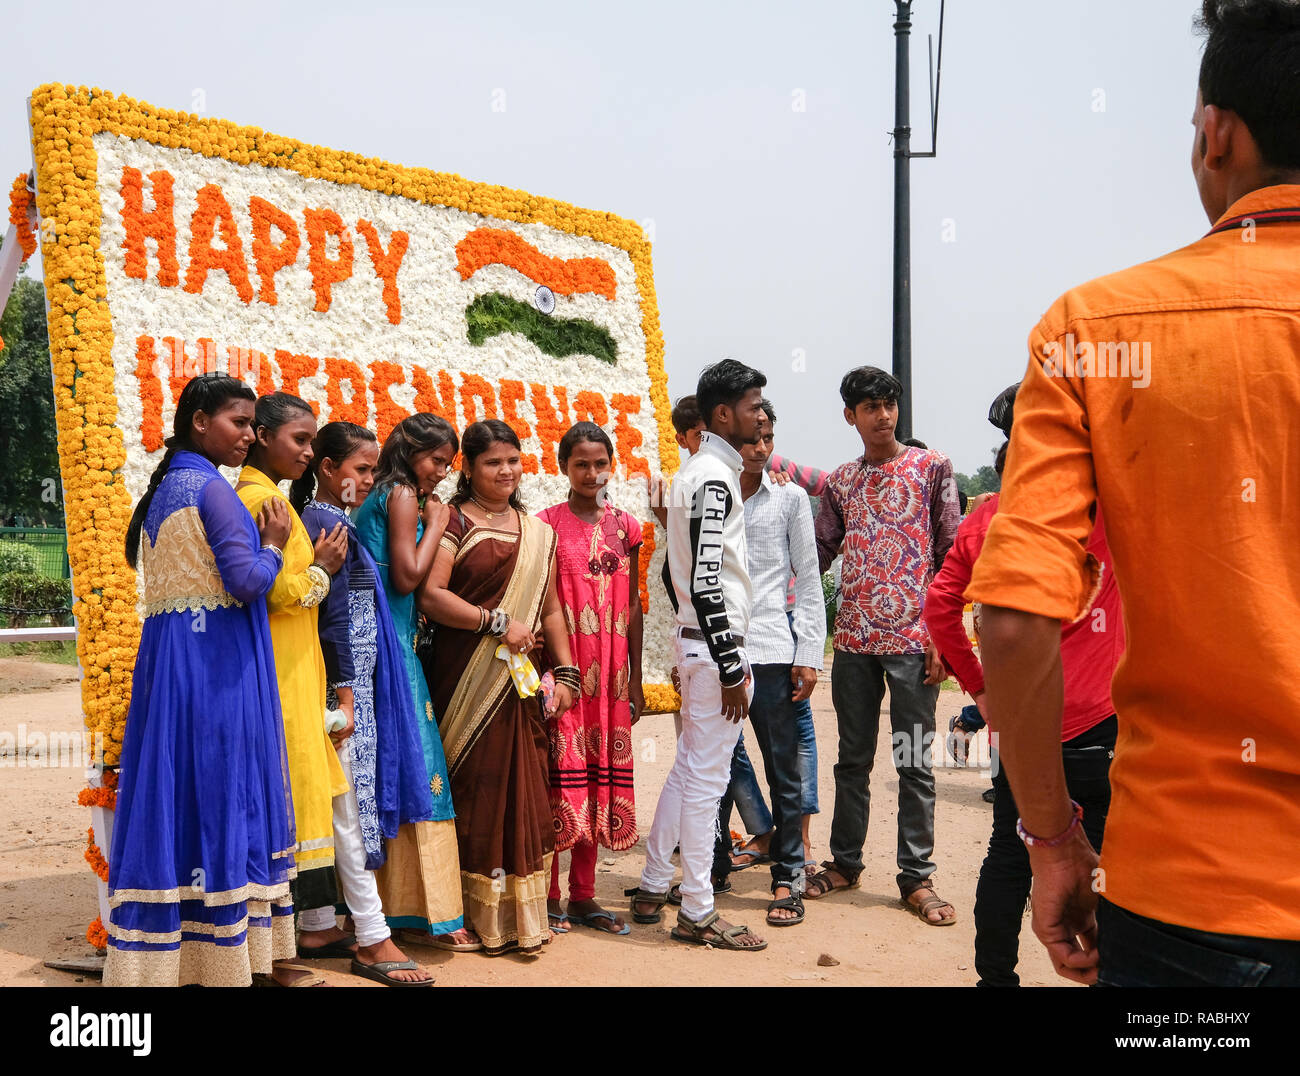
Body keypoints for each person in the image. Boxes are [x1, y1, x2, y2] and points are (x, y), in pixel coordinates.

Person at [969, 0, 1300, 987]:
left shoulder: (1096, 328)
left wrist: (1052, 838)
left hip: (1188, 907)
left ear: (1216, 136)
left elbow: (1018, 621)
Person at [105, 374, 300, 987]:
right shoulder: (213, 490)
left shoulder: (165, 489)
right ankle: (222, 961)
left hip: (171, 667)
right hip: (216, 666)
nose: (250, 435)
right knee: (221, 792)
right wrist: (274, 546)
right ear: (199, 422)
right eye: (239, 423)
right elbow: (246, 583)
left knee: (178, 789)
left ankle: (168, 956)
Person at [924, 386, 1123, 986]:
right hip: (1100, 720)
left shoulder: (989, 519)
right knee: (1115, 859)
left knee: (1010, 854)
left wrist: (984, 692)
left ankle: (995, 980)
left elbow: (939, 607)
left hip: (1023, 731)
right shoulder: (1108, 506)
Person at [418, 419, 578, 955]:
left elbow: (551, 607)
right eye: (492, 462)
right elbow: (431, 596)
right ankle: (458, 914)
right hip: (465, 676)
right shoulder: (455, 522)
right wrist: (493, 623)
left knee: (524, 789)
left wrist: (568, 673)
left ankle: (516, 916)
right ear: (470, 467)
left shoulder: (537, 532)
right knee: (476, 788)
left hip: (520, 684)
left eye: (513, 459)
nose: (506, 470)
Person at [808, 366, 960, 925]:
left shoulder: (932, 468)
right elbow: (818, 554)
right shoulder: (842, 482)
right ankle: (845, 863)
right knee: (853, 761)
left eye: (889, 404)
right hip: (851, 641)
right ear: (850, 415)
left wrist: (943, 637)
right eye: (870, 406)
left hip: (916, 643)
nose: (883, 415)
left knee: (915, 761)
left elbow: (951, 557)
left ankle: (916, 878)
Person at [291, 421, 438, 986]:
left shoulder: (330, 519)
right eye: (359, 469)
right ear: (328, 470)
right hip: (342, 686)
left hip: (347, 681)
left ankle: (321, 922)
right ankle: (373, 938)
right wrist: (347, 697)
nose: (369, 479)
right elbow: (333, 623)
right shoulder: (328, 525)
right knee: (347, 805)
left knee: (336, 805)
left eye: (373, 469)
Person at [628, 359, 768, 951]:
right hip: (717, 650)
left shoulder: (695, 474)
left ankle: (655, 881)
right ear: (721, 415)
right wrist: (731, 665)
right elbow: (707, 581)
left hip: (699, 645)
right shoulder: (713, 478)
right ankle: (698, 909)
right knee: (707, 782)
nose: (761, 415)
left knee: (690, 770)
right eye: (753, 405)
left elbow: (680, 575)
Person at [352, 414, 476, 950]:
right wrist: (438, 523)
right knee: (420, 763)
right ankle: (431, 912)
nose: (441, 474)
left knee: (387, 765)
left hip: (377, 640)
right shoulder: (402, 494)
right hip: (390, 644)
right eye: (436, 461)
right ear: (409, 450)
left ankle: (390, 907)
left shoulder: (380, 492)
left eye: (448, 465)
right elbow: (406, 577)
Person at [236, 393, 350, 925]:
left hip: (295, 665)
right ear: (262, 436)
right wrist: (324, 570)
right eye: (299, 440)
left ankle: (302, 932)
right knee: (286, 789)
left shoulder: (271, 496)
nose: (308, 451)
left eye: (311, 440)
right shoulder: (263, 501)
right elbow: (276, 592)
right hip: (280, 668)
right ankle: (278, 940)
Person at [711, 399, 824, 927]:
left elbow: (809, 578)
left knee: (784, 768)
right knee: (711, 766)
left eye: (767, 439)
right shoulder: (711, 495)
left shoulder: (791, 499)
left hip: (776, 651)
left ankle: (788, 876)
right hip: (718, 650)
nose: (759, 449)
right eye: (750, 439)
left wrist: (809, 654)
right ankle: (709, 869)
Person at [537, 421, 644, 936]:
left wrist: (637, 679)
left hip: (614, 682)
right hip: (566, 676)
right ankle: (550, 896)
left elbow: (636, 606)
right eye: (581, 463)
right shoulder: (544, 527)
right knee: (562, 780)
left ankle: (584, 895)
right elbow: (537, 603)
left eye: (600, 463)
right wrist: (551, 674)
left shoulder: (628, 528)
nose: (592, 472)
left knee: (600, 780)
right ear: (564, 467)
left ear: (611, 465)